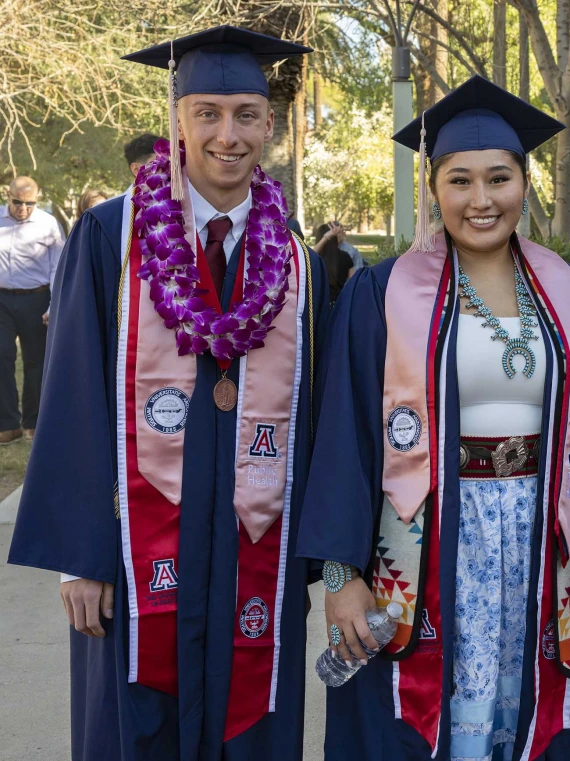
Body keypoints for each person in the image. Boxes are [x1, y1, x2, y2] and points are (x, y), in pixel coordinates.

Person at [6, 26, 330, 761]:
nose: (228, 134)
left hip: (254, 545)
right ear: (177, 120)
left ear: (269, 125)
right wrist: (79, 554)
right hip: (132, 550)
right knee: (138, 723)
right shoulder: (108, 235)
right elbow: (72, 396)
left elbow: (313, 419)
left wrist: (318, 558)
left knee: (248, 721)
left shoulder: (298, 261)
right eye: (208, 113)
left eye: (246, 114)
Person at [296, 75, 570, 761]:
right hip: (427, 537)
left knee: (532, 712)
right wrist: (343, 578)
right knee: (428, 715)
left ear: (525, 182)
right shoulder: (382, 292)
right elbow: (345, 435)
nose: (482, 199)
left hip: (540, 537)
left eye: (499, 178)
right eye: (459, 180)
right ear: (434, 188)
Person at [0, 176, 64, 444]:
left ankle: (33, 423)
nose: (23, 208)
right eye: (17, 202)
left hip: (36, 300)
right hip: (2, 299)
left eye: (29, 203)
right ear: (8, 196)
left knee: (35, 362)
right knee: (2, 356)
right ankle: (8, 424)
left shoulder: (48, 224)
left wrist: (53, 304)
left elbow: (58, 267)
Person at [313, 220, 355, 302]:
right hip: (339, 304)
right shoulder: (345, 256)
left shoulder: (317, 259)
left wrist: (325, 237)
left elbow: (310, 255)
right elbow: (353, 282)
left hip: (319, 304)